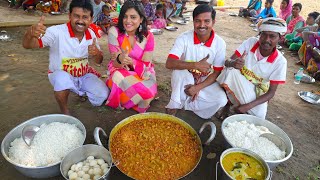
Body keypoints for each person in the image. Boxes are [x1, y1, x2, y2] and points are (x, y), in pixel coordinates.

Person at [22, 0, 109, 114]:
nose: (80, 21)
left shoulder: (91, 34)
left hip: (83, 74)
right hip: (60, 74)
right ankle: (65, 111)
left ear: (91, 19)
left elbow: (99, 61)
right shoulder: (56, 32)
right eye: (76, 16)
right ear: (69, 16)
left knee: (103, 95)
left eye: (85, 17)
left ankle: (79, 91)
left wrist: (97, 53)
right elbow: (28, 45)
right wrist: (30, 34)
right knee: (62, 80)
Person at [216, 17, 288, 119]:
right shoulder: (250, 43)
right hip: (239, 81)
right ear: (259, 35)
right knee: (229, 71)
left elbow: (271, 92)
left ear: (279, 38)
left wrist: (247, 106)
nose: (267, 40)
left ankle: (240, 107)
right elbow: (227, 62)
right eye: (264, 35)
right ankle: (227, 105)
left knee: (258, 116)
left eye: (272, 36)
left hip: (258, 91)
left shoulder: (280, 62)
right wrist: (233, 63)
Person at [165, 4, 228, 119]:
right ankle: (175, 104)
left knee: (221, 99)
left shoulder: (220, 43)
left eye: (207, 21)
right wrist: (196, 65)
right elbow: (169, 63)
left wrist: (197, 88)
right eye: (198, 21)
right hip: (186, 77)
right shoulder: (184, 38)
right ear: (193, 22)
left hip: (204, 79)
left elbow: (216, 72)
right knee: (179, 72)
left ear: (213, 22)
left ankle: (190, 105)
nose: (202, 25)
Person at [105, 0, 157, 113]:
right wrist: (120, 58)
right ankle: (128, 99)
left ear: (141, 19)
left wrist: (130, 62)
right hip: (119, 70)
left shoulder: (148, 36)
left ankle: (131, 97)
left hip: (143, 72)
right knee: (118, 77)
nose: (128, 21)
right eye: (125, 17)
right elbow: (115, 63)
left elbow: (146, 64)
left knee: (148, 91)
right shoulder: (114, 32)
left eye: (133, 17)